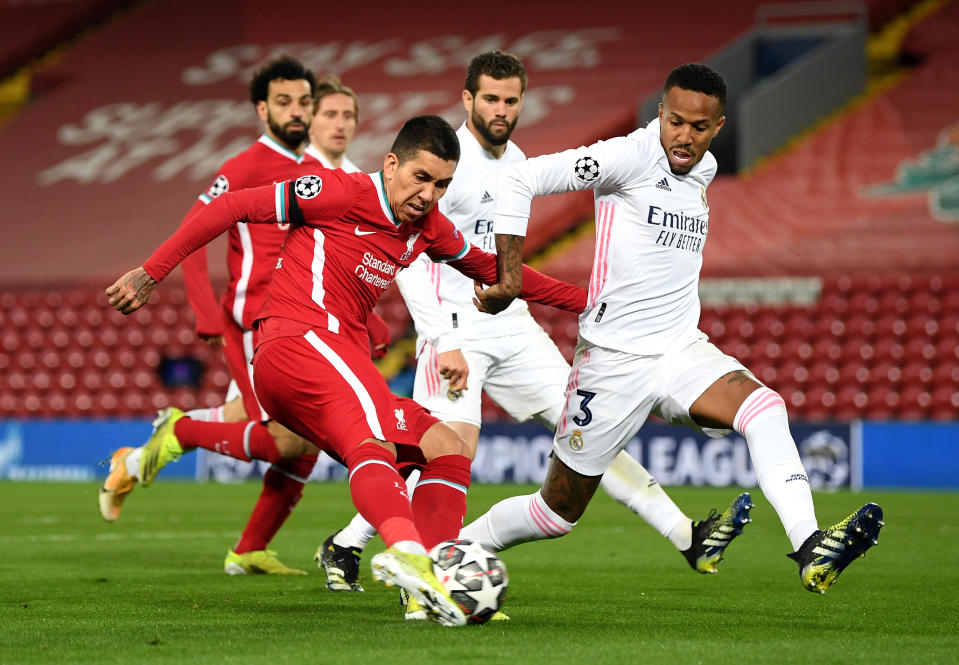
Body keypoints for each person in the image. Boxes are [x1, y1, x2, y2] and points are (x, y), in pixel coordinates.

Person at [105, 114, 587, 625]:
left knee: (445, 447)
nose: (429, 194)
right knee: (372, 443)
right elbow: (230, 206)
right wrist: (151, 271)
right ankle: (409, 557)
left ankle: (434, 584)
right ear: (391, 164)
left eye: (442, 184)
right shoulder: (336, 192)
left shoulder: (428, 229)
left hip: (332, 357)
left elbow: (500, 271)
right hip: (296, 340)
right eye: (420, 178)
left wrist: (591, 301)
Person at [317, 51, 753, 606]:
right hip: (456, 328)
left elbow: (510, 268)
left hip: (512, 324)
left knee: (588, 434)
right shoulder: (442, 161)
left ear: (523, 101)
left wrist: (583, 301)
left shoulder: (517, 160)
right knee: (446, 453)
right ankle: (407, 571)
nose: (501, 110)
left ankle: (683, 533)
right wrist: (442, 339)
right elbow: (414, 259)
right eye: (490, 99)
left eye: (511, 99)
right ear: (467, 99)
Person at [461, 63, 884, 595]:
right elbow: (519, 177)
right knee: (556, 514)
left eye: (699, 128)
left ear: (719, 127)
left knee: (764, 408)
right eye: (676, 121)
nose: (685, 137)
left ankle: (809, 547)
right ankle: (451, 551)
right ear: (660, 113)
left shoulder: (702, 172)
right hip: (611, 362)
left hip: (681, 350)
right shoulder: (626, 156)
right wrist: (509, 274)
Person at [97, 57, 387, 577]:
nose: (297, 112)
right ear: (262, 109)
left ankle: (243, 543)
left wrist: (372, 321)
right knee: (284, 438)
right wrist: (206, 311)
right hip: (254, 321)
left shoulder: (322, 173)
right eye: (284, 102)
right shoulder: (244, 168)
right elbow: (195, 231)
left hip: (304, 321)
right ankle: (181, 432)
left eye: (305, 102)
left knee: (300, 438)